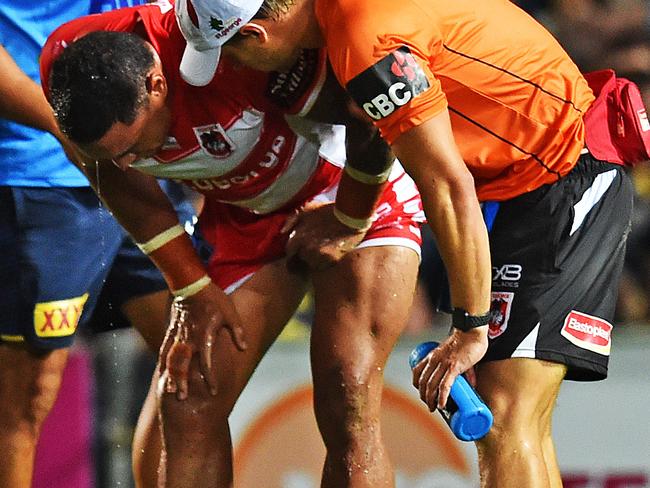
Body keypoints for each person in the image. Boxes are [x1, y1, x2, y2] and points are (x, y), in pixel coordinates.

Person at [173, 0, 636, 486]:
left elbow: (446, 185)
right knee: (512, 420)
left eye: (230, 52)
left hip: (562, 170)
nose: (232, 67)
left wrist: (471, 329)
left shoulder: (366, 38)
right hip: (522, 180)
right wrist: (352, 215)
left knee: (506, 414)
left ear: (257, 35)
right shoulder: (346, 20)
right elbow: (388, 136)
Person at [41, 2, 426, 486]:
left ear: (157, 84)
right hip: (243, 214)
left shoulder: (238, 51)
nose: (126, 163)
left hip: (348, 191)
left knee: (347, 396)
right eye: (111, 155)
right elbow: (115, 183)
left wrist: (349, 217)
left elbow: (366, 117)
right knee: (187, 401)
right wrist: (192, 288)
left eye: (134, 148)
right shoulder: (65, 64)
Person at [0, 1, 198, 486]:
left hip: (148, 159)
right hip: (42, 175)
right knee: (27, 397)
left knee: (194, 368)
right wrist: (68, 126)